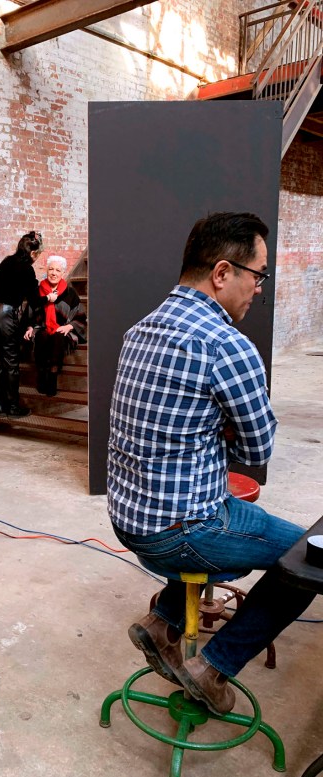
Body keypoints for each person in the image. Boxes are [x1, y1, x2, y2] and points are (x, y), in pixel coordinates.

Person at [107, 211, 315, 715]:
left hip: (127, 519)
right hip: (181, 529)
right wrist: (223, 431)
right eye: (258, 275)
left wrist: (206, 430)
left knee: (208, 507)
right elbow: (257, 452)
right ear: (222, 273)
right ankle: (215, 666)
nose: (259, 289)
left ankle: (163, 624)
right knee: (308, 561)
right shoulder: (226, 345)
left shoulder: (140, 329)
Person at [0, 231, 55, 417]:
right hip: (4, 314)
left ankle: (1, 407)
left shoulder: (7, 261)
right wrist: (48, 298)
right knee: (11, 361)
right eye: (38, 255)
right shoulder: (26, 268)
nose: (37, 259)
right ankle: (13, 407)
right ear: (33, 253)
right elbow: (34, 300)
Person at [24, 255, 86, 396]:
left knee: (58, 336)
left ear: (62, 273)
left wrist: (69, 326)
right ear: (46, 271)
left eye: (57, 270)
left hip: (63, 330)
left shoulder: (70, 293)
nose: (53, 273)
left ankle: (52, 375)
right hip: (41, 328)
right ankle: (42, 373)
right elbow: (29, 314)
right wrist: (29, 327)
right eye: (51, 269)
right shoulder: (37, 292)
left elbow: (81, 317)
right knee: (43, 335)